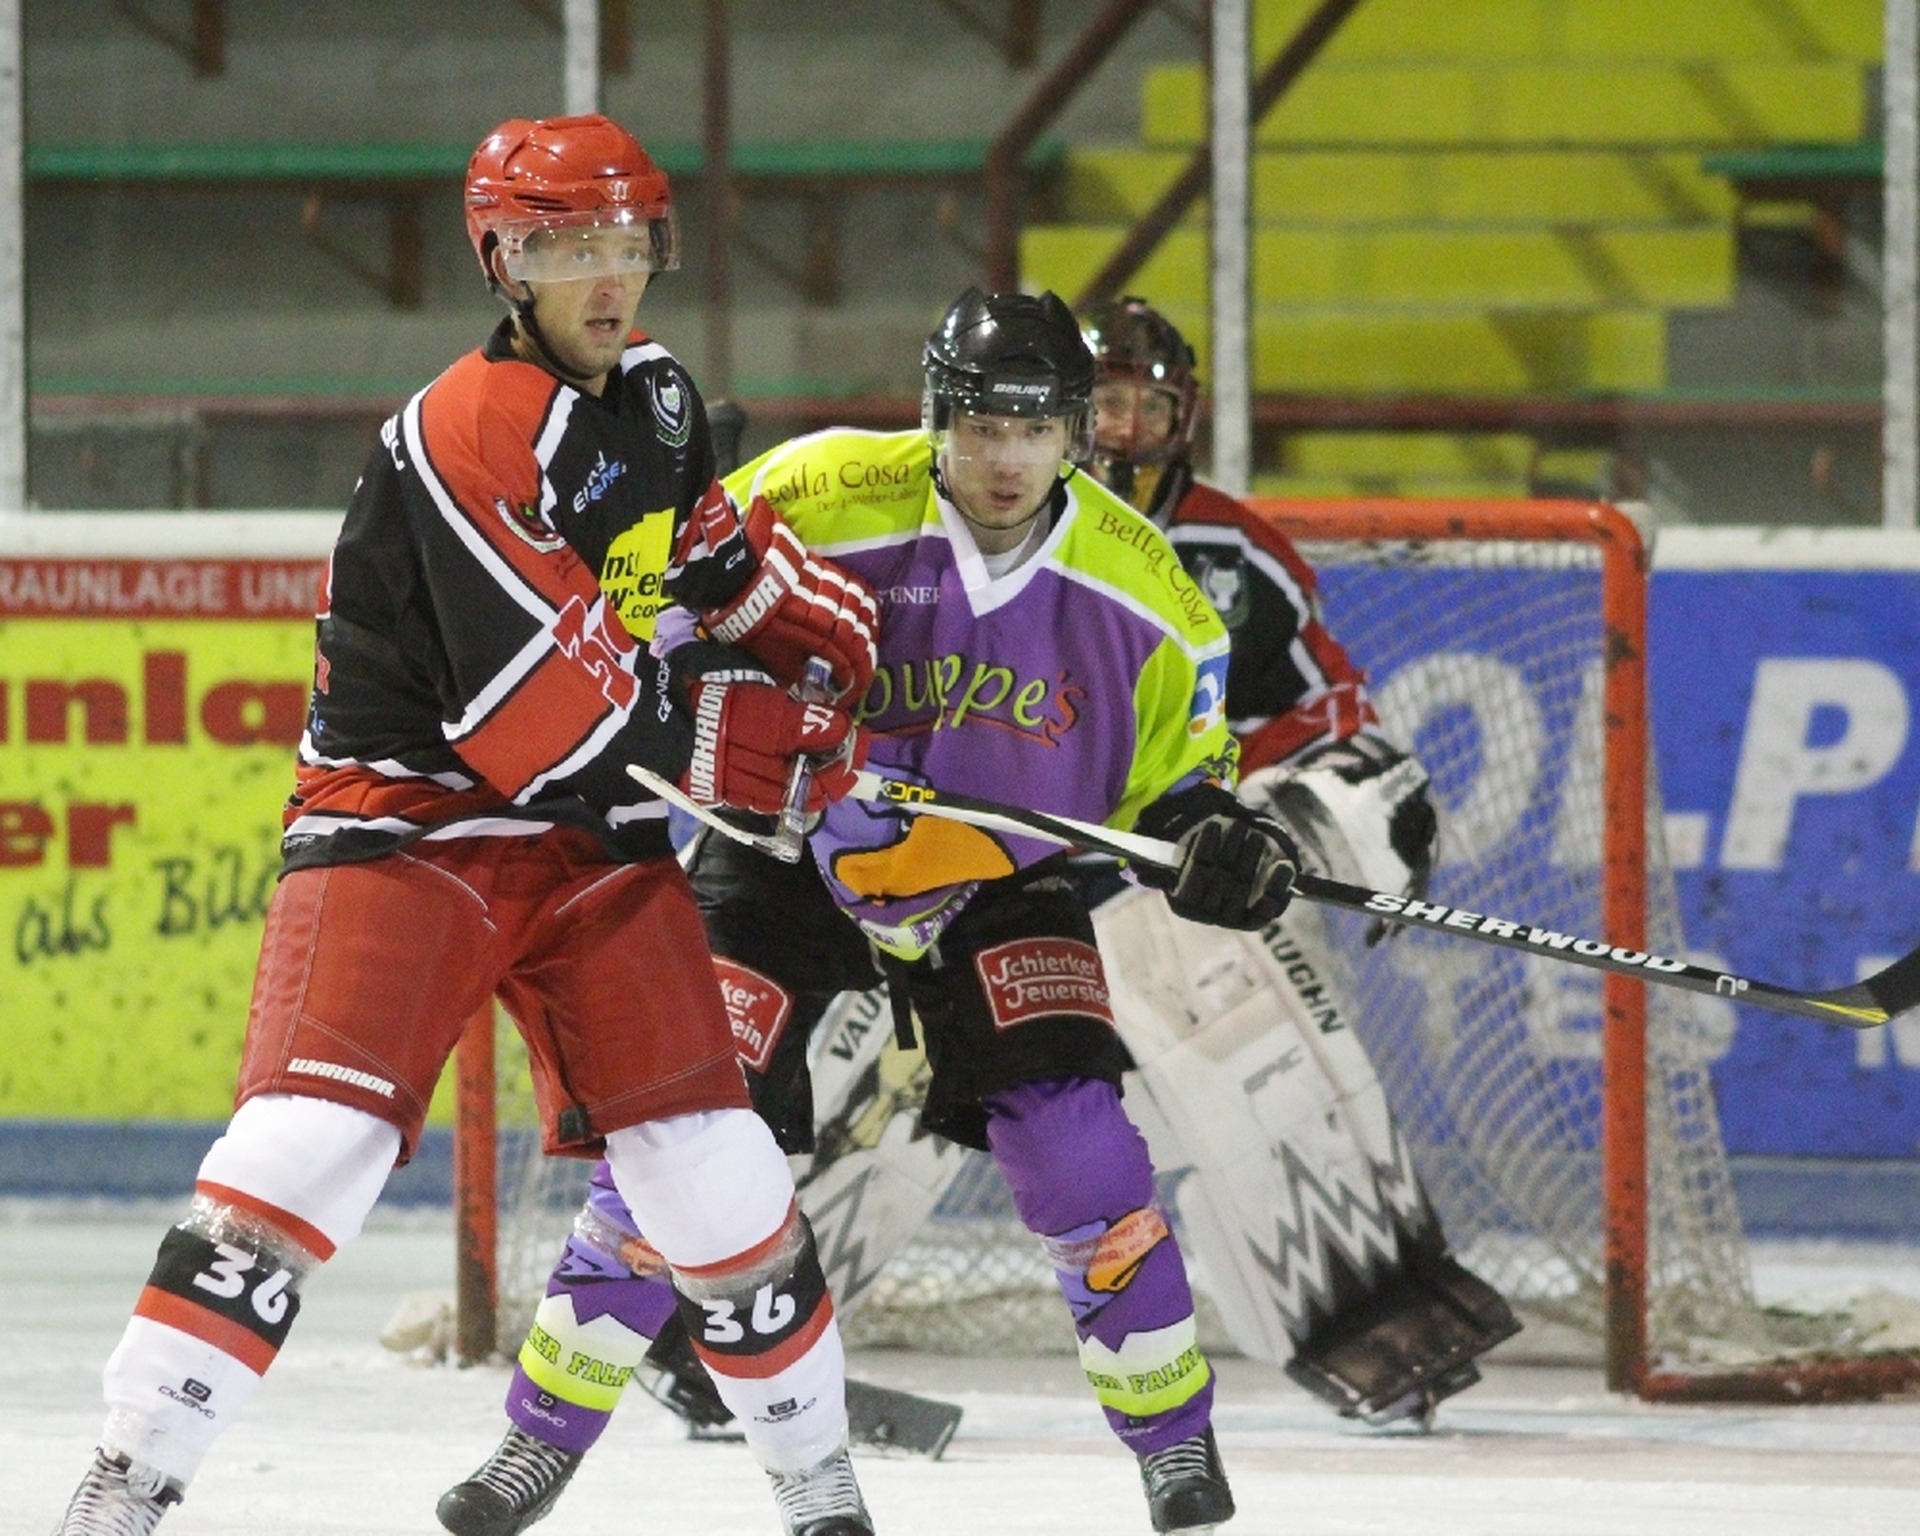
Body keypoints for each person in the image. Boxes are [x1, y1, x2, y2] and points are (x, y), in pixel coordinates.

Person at [51, 113, 887, 1536]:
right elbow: (536, 719)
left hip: (585, 839)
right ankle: (124, 1485)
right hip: (412, 824)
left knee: (714, 1166)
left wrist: (797, 636)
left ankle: (822, 1494)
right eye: (567, 244)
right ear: (504, 256)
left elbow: (701, 566)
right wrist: (733, 746)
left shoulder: (663, 397)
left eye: (628, 241)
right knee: (312, 1145)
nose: (606, 274)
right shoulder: (465, 432)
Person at [440, 287, 1302, 1536]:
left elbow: (1183, 787)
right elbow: (652, 633)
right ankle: (539, 1441)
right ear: (936, 414)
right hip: (786, 852)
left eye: (1035, 429)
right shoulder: (821, 493)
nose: (1004, 460)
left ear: (1078, 434)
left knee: (1080, 1151)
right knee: (674, 1138)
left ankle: (1172, 1440)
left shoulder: (1150, 592)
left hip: (996, 878)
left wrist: (1218, 840)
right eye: (979, 426)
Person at [1074, 296, 1519, 1423]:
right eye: (1105, 401)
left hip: (1183, 878)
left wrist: (1263, 804)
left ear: (1183, 416)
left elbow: (1333, 707)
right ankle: (735, 1311)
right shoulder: (1001, 525)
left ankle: (1368, 1315)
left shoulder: (1233, 546)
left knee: (1278, 1077)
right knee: (890, 1095)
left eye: (1145, 403)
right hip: (1024, 879)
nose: (1124, 429)